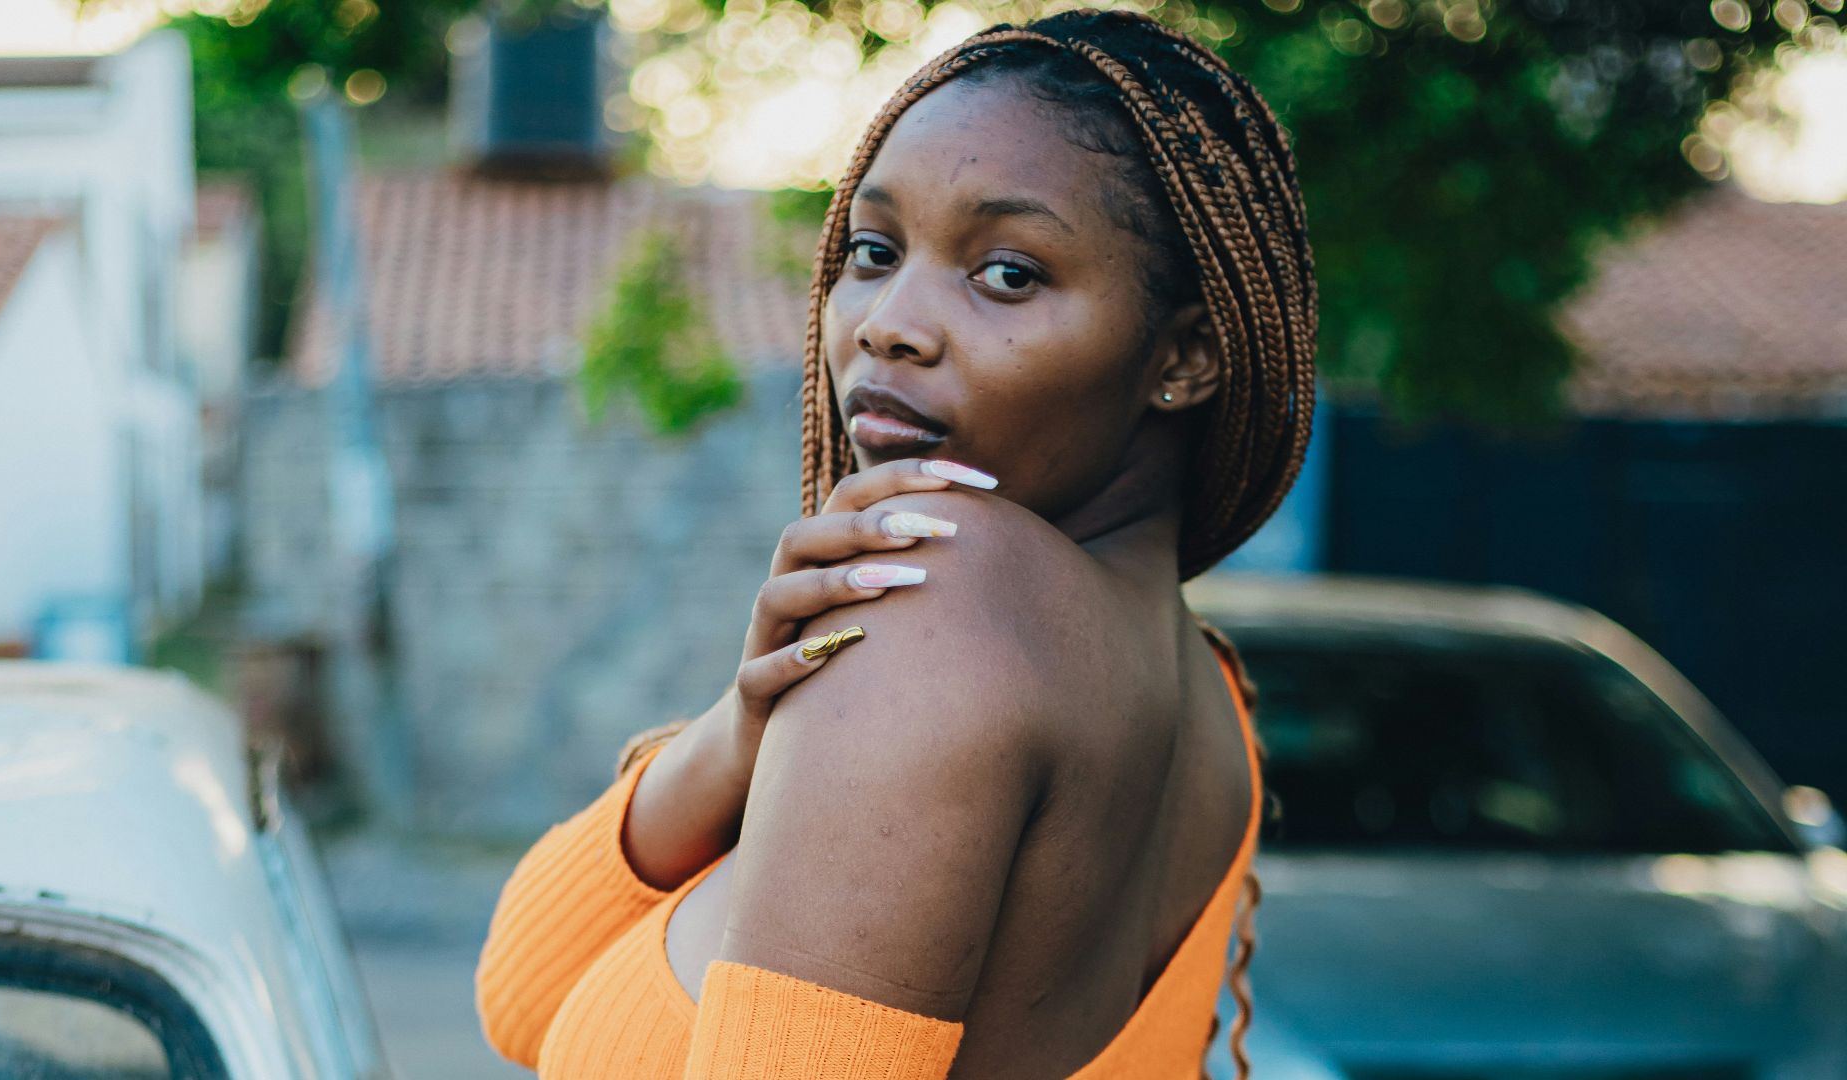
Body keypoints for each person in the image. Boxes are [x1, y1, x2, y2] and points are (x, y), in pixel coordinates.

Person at [475, 7, 1315, 1077]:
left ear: (1187, 356)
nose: (886, 322)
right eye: (874, 251)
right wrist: (741, 732)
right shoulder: (1212, 702)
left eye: (1006, 274)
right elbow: (520, 992)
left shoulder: (934, 603)